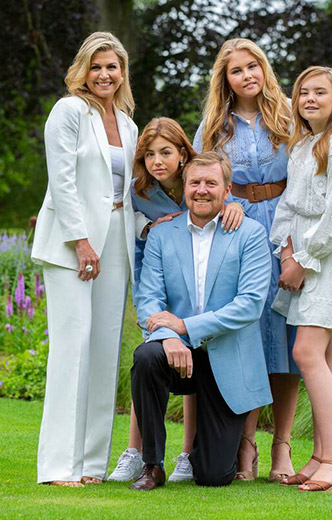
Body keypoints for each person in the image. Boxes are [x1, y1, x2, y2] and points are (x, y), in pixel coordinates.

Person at [193, 38, 332, 481]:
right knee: (248, 334)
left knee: (293, 344)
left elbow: (327, 174)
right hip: (239, 230)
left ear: (264, 68)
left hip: (293, 234)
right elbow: (199, 177)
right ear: (225, 78)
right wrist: (225, 200)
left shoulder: (291, 112)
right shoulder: (214, 125)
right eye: (237, 70)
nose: (248, 74)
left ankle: (283, 446)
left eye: (254, 65)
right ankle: (244, 445)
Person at [108, 118, 244, 482]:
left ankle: (187, 453)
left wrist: (237, 207)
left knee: (193, 357)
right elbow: (127, 218)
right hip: (154, 270)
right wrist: (147, 227)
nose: (157, 161)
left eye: (166, 153)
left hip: (195, 280)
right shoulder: (139, 190)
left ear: (183, 153)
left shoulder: (199, 178)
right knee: (152, 356)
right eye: (149, 154)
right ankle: (137, 452)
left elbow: (221, 197)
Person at [30, 32, 138, 488]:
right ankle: (58, 467)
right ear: (83, 71)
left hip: (117, 239)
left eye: (112, 67)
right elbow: (63, 180)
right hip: (74, 242)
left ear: (122, 72)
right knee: (72, 348)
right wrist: (81, 240)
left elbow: (130, 192)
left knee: (104, 350)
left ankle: (93, 464)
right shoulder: (69, 110)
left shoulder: (129, 124)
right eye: (96, 67)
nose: (104, 75)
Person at [129, 152, 273, 490]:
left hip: (227, 358)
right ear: (185, 188)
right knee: (147, 357)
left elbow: (250, 305)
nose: (202, 190)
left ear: (226, 191)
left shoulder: (250, 234)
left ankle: (202, 453)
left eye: (211, 183)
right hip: (177, 356)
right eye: (195, 183)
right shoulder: (163, 235)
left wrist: (186, 326)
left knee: (212, 476)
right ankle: (152, 465)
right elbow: (148, 300)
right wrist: (169, 336)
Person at [270, 66, 332, 492]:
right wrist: (285, 251)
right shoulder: (304, 145)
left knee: (306, 352)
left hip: (328, 256)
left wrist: (305, 260)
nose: (310, 99)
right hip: (304, 251)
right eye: (303, 92)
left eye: (319, 93)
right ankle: (320, 454)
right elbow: (289, 207)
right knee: (323, 357)